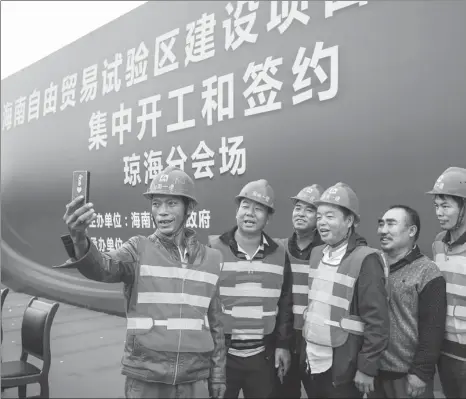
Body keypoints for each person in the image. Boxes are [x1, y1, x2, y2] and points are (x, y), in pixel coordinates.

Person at [56, 166, 226, 399]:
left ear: (190, 208)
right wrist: (79, 239)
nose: (162, 212)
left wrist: (217, 375)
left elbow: (215, 325)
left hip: (195, 379)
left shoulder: (211, 258)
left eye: (171, 203)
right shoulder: (137, 249)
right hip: (147, 377)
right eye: (156, 203)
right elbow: (103, 268)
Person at [300, 182, 390, 398]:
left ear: (349, 221)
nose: (321, 222)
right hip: (313, 361)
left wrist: (367, 368)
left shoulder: (366, 259)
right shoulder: (316, 254)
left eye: (330, 216)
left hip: (343, 368)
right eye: (319, 216)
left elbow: (378, 321)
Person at [208, 179, 292, 398]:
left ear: (268, 217)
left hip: (262, 357)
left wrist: (283, 345)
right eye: (245, 206)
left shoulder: (279, 254)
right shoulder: (214, 249)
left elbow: (285, 303)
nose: (250, 213)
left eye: (258, 209)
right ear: (237, 211)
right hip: (223, 357)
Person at [371, 205, 446, 398]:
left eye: (391, 224)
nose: (383, 230)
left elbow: (433, 328)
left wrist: (421, 372)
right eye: (381, 224)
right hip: (372, 374)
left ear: (412, 231)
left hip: (408, 378)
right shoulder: (373, 266)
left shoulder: (427, 271)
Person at [275, 185, 324, 399]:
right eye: (298, 208)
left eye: (309, 210)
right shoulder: (279, 248)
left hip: (317, 340)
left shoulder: (329, 252)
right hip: (285, 336)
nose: (300, 214)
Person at [426, 166, 466, 398]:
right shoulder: (438, 243)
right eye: (436, 206)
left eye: (446, 206)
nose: (439, 212)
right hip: (445, 352)